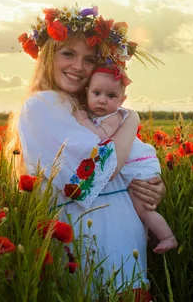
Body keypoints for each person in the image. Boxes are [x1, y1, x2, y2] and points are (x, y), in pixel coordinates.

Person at [8, 5, 166, 300]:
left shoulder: (90, 111)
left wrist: (152, 185)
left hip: (122, 241)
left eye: (89, 59)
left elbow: (127, 163)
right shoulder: (42, 106)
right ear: (48, 57)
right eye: (68, 54)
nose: (79, 67)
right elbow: (93, 173)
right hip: (89, 241)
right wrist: (132, 120)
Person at [74, 65, 178, 253]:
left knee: (142, 206)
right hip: (136, 163)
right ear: (87, 92)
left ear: (123, 100)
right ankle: (147, 232)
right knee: (134, 202)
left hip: (140, 166)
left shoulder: (115, 117)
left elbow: (100, 137)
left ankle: (167, 237)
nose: (102, 101)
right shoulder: (103, 115)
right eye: (97, 93)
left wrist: (83, 121)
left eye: (111, 96)